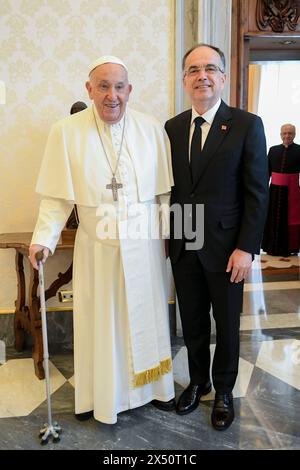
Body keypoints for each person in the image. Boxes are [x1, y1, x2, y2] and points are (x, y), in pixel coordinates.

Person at [29, 55, 175, 424]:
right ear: (89, 90)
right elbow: (57, 197)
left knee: (147, 317)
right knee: (103, 320)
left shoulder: (151, 128)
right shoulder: (66, 131)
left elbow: (163, 195)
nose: (113, 95)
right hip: (98, 247)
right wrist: (43, 239)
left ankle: (155, 390)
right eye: (104, 86)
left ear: (130, 90)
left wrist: (168, 238)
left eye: (120, 86)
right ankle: (99, 396)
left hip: (143, 246)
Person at [165, 44, 269, 430]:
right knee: (191, 322)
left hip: (228, 249)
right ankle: (198, 381)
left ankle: (223, 390)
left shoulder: (246, 124)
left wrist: (247, 247)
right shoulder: (172, 127)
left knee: (225, 324)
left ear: (223, 77)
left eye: (210, 68)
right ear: (184, 80)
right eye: (193, 69)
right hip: (184, 243)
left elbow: (257, 192)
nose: (202, 75)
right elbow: (173, 188)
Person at [262, 124, 300, 257]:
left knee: (290, 219)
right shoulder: (273, 150)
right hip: (274, 191)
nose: (287, 136)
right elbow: (266, 171)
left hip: (292, 192)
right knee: (273, 218)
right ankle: (271, 246)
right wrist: (264, 190)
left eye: (290, 133)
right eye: (284, 133)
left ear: (294, 134)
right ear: (280, 134)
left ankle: (290, 247)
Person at [66, 101, 88, 229]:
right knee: (75, 200)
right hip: (73, 171)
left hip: (89, 173)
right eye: (75, 113)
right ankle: (75, 220)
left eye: (80, 113)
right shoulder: (66, 131)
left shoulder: (94, 130)